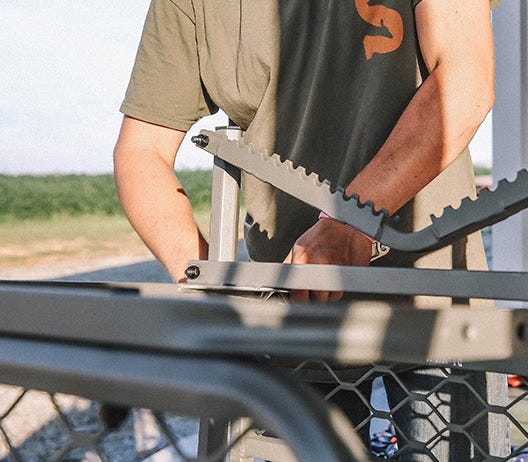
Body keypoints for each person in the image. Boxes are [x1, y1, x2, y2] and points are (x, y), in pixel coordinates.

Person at [114, 0, 506, 459]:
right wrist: (213, 287)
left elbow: (464, 85)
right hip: (292, 316)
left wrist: (352, 220)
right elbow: (142, 151)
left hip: (430, 297)